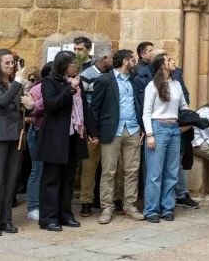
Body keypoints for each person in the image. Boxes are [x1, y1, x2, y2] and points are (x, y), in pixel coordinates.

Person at [36, 51, 98, 232]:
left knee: (68, 178)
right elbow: (51, 104)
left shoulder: (76, 84)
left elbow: (84, 108)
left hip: (73, 136)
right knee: (52, 179)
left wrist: (93, 132)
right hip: (54, 138)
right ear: (63, 65)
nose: (76, 67)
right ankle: (48, 218)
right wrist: (70, 90)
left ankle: (65, 213)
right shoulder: (49, 82)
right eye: (73, 64)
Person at [0, 49, 33, 236]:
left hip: (16, 134)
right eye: (7, 63)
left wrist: (30, 106)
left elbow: (20, 108)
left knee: (11, 178)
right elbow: (2, 101)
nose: (11, 66)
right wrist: (18, 81)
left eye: (13, 62)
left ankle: (5, 219)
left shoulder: (14, 83)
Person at [90, 49, 145, 224]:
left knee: (132, 170)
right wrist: (94, 132)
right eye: (133, 60)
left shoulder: (134, 80)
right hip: (111, 130)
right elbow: (95, 107)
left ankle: (129, 205)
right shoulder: (104, 80)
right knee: (109, 170)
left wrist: (142, 127)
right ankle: (107, 207)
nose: (135, 63)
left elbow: (139, 104)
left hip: (133, 129)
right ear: (125, 61)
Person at [143, 54, 189, 222]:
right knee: (155, 173)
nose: (173, 61)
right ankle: (151, 210)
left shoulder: (176, 84)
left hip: (174, 129)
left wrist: (188, 122)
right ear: (162, 66)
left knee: (172, 172)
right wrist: (150, 134)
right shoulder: (152, 86)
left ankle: (167, 208)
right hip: (158, 128)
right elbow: (146, 112)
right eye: (169, 60)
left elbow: (184, 106)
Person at [78, 47, 121, 217]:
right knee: (89, 167)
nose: (114, 62)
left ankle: (112, 198)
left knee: (111, 167)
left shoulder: (113, 76)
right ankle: (86, 201)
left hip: (109, 126)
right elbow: (83, 103)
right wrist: (90, 128)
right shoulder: (86, 75)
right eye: (112, 58)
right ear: (104, 59)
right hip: (92, 126)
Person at [24, 63, 52, 222]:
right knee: (37, 170)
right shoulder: (36, 89)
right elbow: (31, 111)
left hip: (53, 133)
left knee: (50, 171)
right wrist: (48, 99)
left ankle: (46, 204)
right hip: (38, 132)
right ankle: (33, 207)